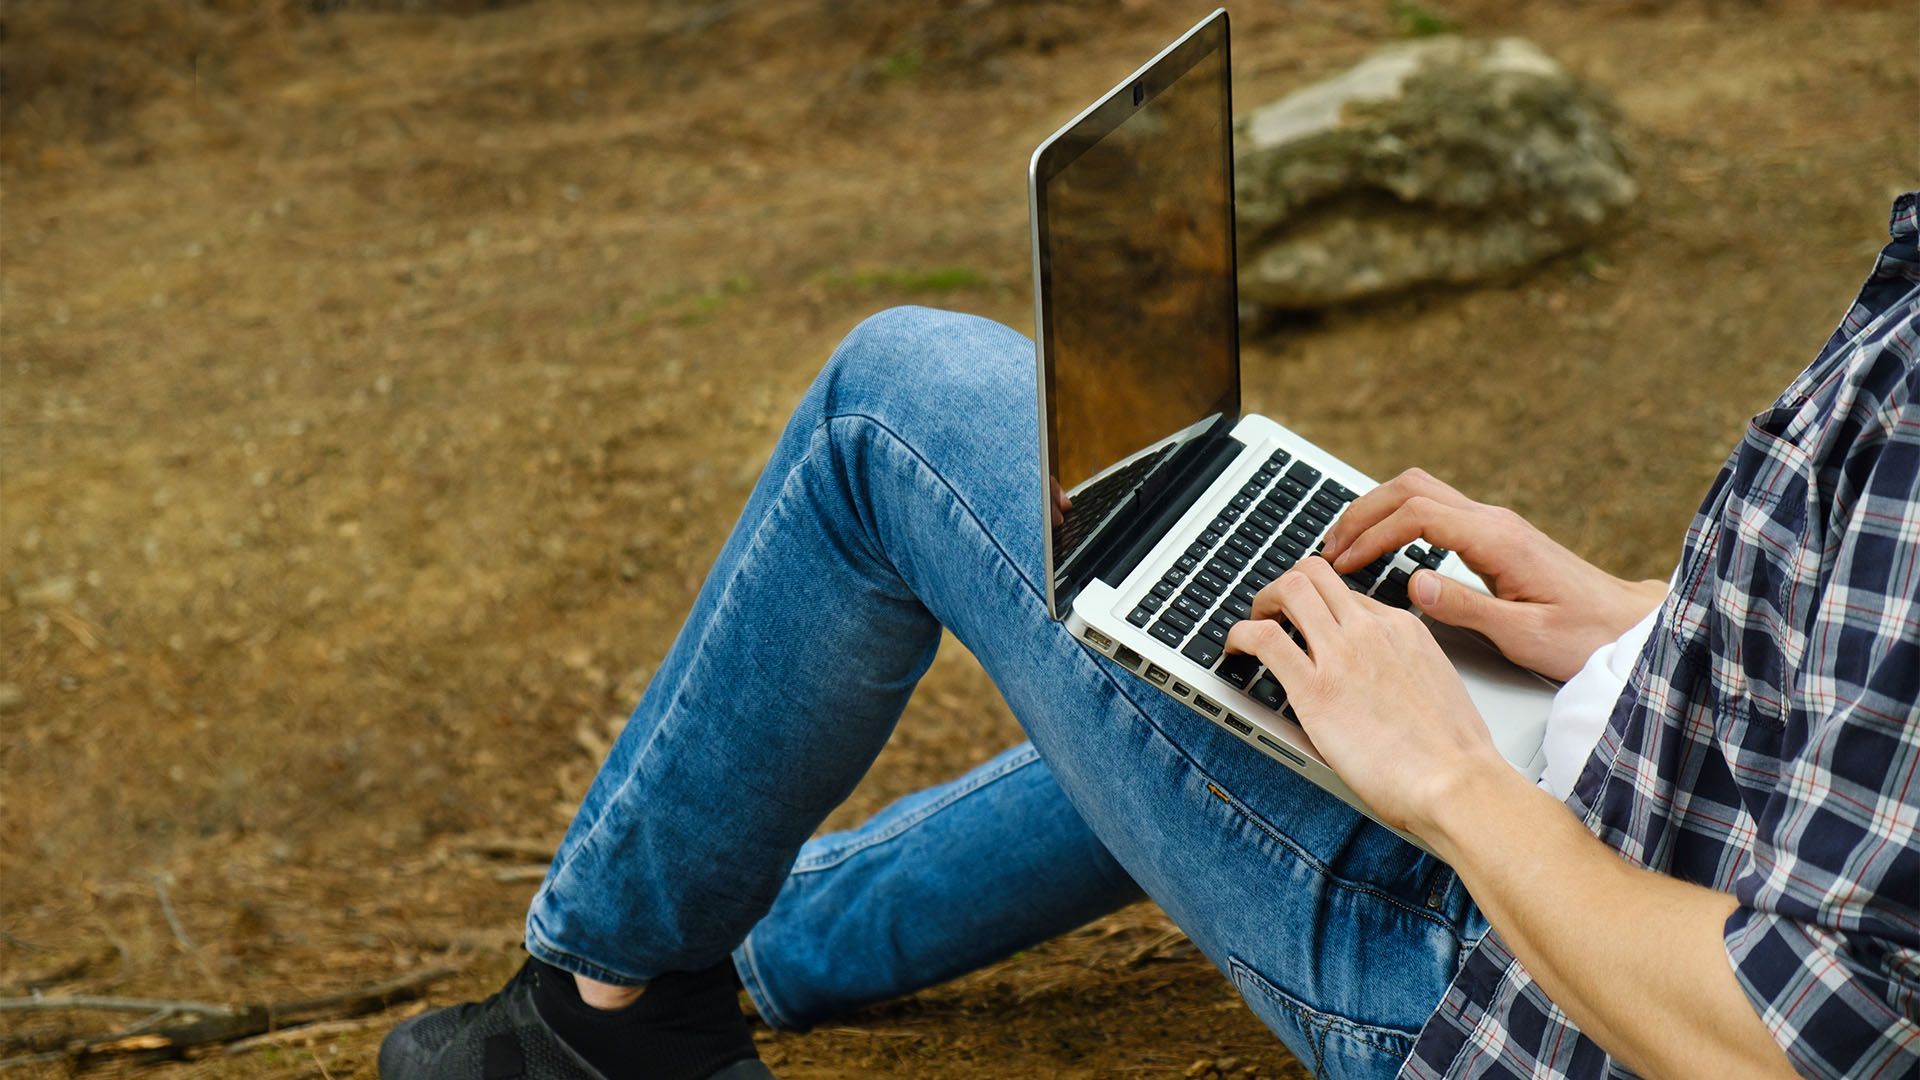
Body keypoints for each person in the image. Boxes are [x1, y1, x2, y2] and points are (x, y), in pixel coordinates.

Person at [379, 194, 1920, 1080]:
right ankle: (767, 936)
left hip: (1498, 993)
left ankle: (602, 1017)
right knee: (1215, 638)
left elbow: (1806, 1042)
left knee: (896, 403)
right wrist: (1652, 630)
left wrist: (1450, 779)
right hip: (1626, 801)